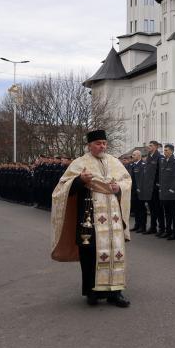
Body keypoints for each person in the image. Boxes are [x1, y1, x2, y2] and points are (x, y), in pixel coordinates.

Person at [50, 130, 132, 307]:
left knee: (115, 251)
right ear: (89, 145)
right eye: (98, 143)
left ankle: (115, 292)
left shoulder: (115, 162)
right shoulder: (79, 163)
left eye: (104, 142)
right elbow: (62, 188)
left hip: (113, 219)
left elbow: (127, 181)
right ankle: (92, 292)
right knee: (90, 253)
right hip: (89, 217)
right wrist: (79, 180)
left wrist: (119, 187)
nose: (102, 146)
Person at [160, 144, 175, 239]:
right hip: (164, 191)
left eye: (167, 150)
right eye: (164, 150)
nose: (165, 152)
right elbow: (162, 176)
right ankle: (168, 231)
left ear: (172, 151)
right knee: (166, 212)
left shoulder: (174, 161)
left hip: (172, 192)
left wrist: (172, 189)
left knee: (173, 213)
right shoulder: (164, 161)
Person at [129, 150, 146, 233]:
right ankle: (137, 225)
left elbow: (143, 179)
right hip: (133, 191)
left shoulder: (142, 165)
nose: (132, 156)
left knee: (141, 209)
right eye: (132, 155)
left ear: (139, 156)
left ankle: (143, 226)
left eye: (134, 155)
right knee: (136, 209)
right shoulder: (133, 165)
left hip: (140, 191)